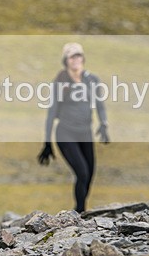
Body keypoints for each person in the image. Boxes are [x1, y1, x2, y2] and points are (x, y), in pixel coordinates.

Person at [37, 43, 109, 213]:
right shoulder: (60, 82)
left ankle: (80, 211)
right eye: (72, 56)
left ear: (83, 58)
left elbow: (99, 104)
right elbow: (51, 113)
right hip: (65, 134)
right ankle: (80, 211)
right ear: (66, 61)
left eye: (78, 55)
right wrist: (47, 142)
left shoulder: (92, 80)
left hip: (85, 132)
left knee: (90, 174)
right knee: (82, 173)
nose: (76, 59)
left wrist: (104, 124)